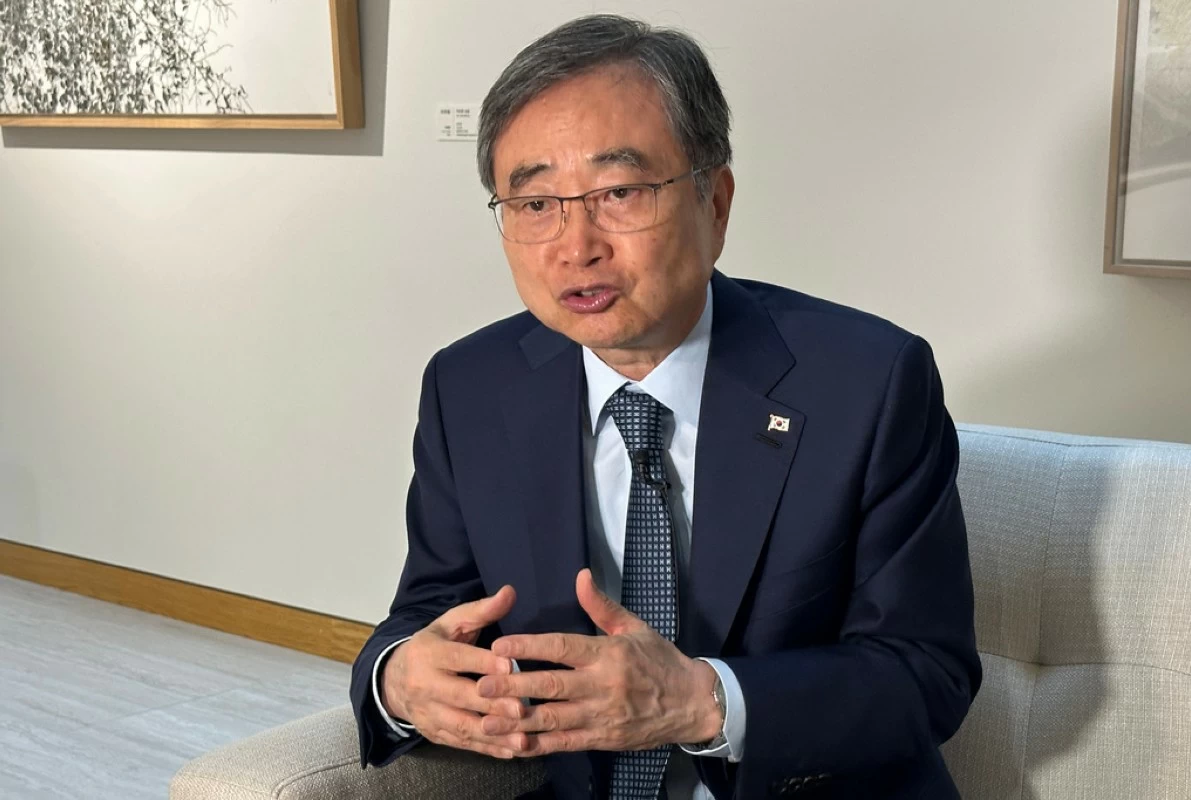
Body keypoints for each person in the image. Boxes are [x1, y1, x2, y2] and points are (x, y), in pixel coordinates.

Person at [350, 13, 981, 800]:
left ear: (714, 203)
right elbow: (433, 610)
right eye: (535, 203)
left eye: (619, 191)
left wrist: (698, 702)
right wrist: (399, 681)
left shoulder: (871, 382)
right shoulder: (469, 385)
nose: (576, 246)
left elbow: (928, 673)